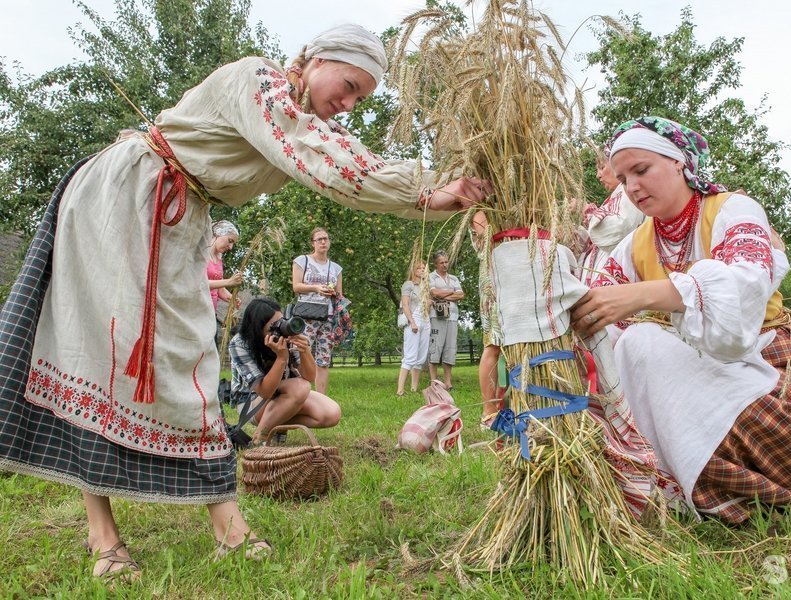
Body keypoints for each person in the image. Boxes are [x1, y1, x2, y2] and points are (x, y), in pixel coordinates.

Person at [0, 23, 491, 579]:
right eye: (349, 84)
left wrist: (434, 194)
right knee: (109, 355)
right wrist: (427, 189)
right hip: (126, 197)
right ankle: (107, 534)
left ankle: (223, 527)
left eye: (362, 97)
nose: (349, 103)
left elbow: (330, 153)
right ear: (315, 59)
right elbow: (319, 154)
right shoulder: (258, 81)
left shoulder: (296, 118)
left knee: (188, 357)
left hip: (180, 212)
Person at [572, 116, 791, 524]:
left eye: (641, 170)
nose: (632, 187)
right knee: (629, 346)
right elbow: (600, 308)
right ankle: (679, 476)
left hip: (776, 383)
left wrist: (646, 294)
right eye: (624, 178)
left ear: (679, 161)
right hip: (704, 371)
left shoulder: (733, 209)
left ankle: (744, 472)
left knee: (642, 340)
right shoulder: (636, 243)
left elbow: (745, 285)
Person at [229, 298, 340, 445]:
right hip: (251, 401)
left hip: (285, 393)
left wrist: (305, 350)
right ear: (257, 328)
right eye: (273, 326)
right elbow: (265, 392)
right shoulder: (240, 342)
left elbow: (309, 376)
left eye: (281, 321)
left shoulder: (286, 335)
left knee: (331, 413)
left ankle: (276, 424)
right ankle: (260, 438)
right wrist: (281, 358)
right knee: (300, 387)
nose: (280, 328)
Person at [578, 148, 646, 287]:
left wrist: (589, 213)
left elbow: (618, 231)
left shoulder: (629, 193)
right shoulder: (615, 197)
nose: (598, 175)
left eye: (602, 167)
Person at [292, 227, 342, 394]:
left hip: (327, 317)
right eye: (319, 239)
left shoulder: (336, 268)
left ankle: (321, 398)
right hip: (306, 315)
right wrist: (316, 288)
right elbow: (296, 286)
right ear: (312, 242)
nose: (323, 242)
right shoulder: (302, 260)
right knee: (299, 354)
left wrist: (333, 293)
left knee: (324, 359)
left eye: (326, 239)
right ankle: (298, 394)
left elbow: (340, 295)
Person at [470, 211, 503, 428]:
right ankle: (489, 412)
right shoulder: (482, 212)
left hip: (515, 273)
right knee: (493, 343)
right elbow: (487, 238)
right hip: (496, 277)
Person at [428, 251, 464, 390]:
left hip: (453, 316)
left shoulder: (454, 278)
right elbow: (434, 293)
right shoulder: (431, 277)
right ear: (436, 264)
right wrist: (451, 292)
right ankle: (434, 382)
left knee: (450, 348)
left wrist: (444, 294)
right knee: (435, 347)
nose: (444, 265)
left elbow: (461, 295)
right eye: (441, 262)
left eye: (446, 262)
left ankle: (448, 382)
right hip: (437, 316)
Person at [396, 259, 429, 396]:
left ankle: (414, 388)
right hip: (414, 319)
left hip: (425, 320)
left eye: (424, 268)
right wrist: (412, 322)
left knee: (420, 357)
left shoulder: (426, 287)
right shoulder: (408, 285)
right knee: (410, 355)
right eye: (419, 268)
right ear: (413, 271)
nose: (422, 270)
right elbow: (405, 305)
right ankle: (400, 390)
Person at [207, 220, 243, 345]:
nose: (230, 247)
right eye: (230, 240)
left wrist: (231, 297)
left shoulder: (219, 258)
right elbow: (200, 284)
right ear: (218, 234)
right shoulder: (201, 255)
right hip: (198, 310)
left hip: (211, 312)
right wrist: (229, 281)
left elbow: (219, 288)